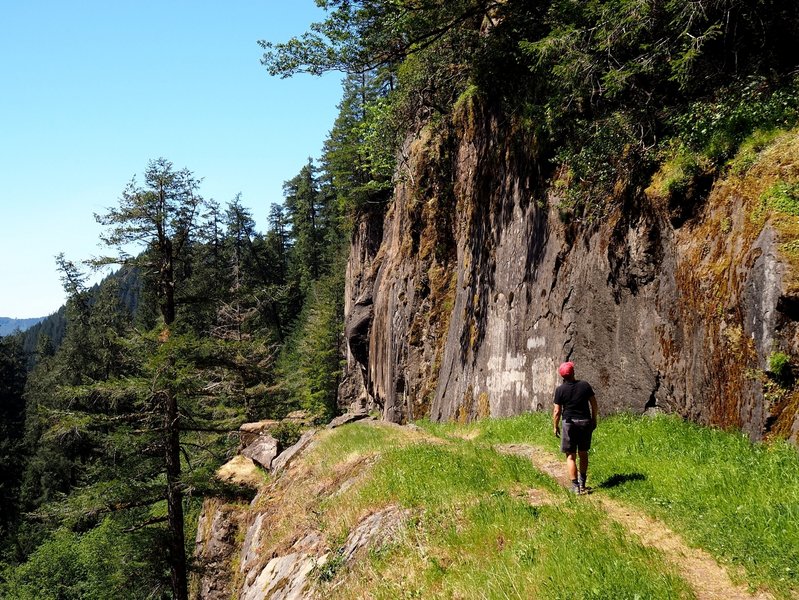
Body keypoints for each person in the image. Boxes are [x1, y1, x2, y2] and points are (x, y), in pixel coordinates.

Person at [552, 361, 598, 494]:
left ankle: (575, 487)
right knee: (583, 453)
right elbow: (594, 404)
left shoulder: (560, 390)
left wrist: (555, 426)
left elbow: (557, 411)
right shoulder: (585, 385)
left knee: (570, 456)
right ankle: (583, 483)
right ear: (573, 373)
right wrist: (594, 419)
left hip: (569, 423)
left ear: (562, 376)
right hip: (585, 422)